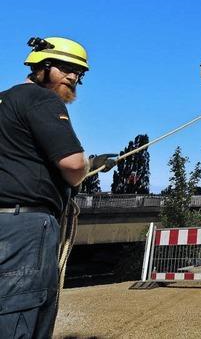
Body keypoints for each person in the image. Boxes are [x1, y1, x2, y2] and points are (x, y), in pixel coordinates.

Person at [0, 37, 116, 338]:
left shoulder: (5, 101)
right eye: (66, 68)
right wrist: (90, 165)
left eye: (79, 73)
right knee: (20, 319)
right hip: (24, 226)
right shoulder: (40, 99)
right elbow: (74, 165)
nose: (73, 77)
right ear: (41, 66)